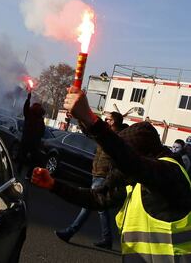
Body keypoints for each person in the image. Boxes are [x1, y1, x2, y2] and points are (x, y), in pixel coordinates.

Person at [32, 86, 191, 262]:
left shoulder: (170, 175)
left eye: (120, 162)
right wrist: (54, 185)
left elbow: (132, 163)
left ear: (143, 155)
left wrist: (91, 119)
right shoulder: (137, 181)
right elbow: (96, 198)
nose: (117, 169)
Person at [55, 111, 125, 250]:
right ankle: (107, 238)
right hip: (97, 175)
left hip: (103, 176)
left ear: (113, 122)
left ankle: (70, 232)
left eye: (108, 119)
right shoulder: (106, 135)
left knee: (88, 204)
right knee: (100, 209)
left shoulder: (115, 138)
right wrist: (79, 118)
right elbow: (89, 133)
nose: (105, 121)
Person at [18, 91, 46, 179]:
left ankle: (18, 172)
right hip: (35, 143)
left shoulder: (29, 115)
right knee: (34, 160)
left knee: (22, 156)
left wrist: (28, 98)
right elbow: (42, 133)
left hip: (25, 140)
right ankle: (29, 175)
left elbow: (25, 108)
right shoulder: (41, 120)